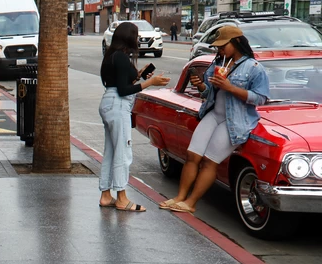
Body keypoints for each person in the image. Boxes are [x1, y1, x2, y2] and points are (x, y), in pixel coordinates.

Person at [161, 26, 269, 214]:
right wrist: (201, 85)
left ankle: (191, 203)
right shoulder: (219, 62)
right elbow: (208, 93)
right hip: (213, 114)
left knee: (210, 161)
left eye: (222, 46)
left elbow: (261, 98)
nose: (219, 50)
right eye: (217, 47)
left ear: (236, 42)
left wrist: (230, 88)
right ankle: (180, 197)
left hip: (234, 120)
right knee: (192, 155)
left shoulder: (253, 68)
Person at [98, 21, 170, 212]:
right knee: (122, 152)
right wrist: (151, 82)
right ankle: (121, 197)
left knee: (111, 151)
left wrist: (138, 76)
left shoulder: (111, 56)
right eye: (136, 36)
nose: (137, 40)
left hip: (109, 102)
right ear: (129, 37)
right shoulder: (121, 58)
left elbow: (118, 82)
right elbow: (123, 90)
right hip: (117, 104)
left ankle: (106, 194)